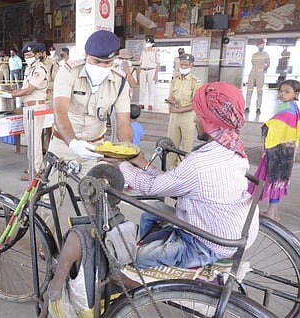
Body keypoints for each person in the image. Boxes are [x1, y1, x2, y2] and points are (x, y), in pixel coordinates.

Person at [118, 81, 258, 270]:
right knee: (152, 211)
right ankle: (159, 251)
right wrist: (143, 163)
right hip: (230, 228)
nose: (194, 120)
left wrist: (120, 165)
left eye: (199, 115)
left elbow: (152, 187)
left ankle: (147, 275)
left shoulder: (200, 163)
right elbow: (176, 183)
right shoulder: (231, 149)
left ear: (210, 120)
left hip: (207, 243)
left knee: (140, 258)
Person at [41, 164, 126, 318]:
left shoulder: (77, 237)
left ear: (85, 193)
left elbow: (55, 290)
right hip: (112, 301)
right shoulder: (122, 223)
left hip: (87, 309)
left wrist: (47, 298)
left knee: (52, 289)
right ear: (119, 199)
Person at [48, 30, 132, 175]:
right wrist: (73, 143)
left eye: (108, 63)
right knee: (52, 194)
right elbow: (60, 112)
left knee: (95, 194)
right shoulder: (68, 72)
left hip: (96, 149)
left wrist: (126, 151)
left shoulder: (120, 82)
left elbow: (123, 122)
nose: (102, 67)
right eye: (96, 61)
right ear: (86, 56)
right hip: (63, 145)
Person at [248, 79, 300, 221]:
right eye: (281, 91)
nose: (282, 93)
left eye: (287, 91)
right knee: (277, 179)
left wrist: (269, 124)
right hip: (285, 151)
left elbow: (276, 125)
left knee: (266, 177)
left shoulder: (288, 108)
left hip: (277, 150)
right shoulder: (291, 107)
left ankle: (253, 209)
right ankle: (272, 212)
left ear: (296, 93)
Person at [0, 42, 49, 181]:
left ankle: (37, 170)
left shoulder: (40, 69)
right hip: (28, 107)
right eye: (26, 55)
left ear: (38, 55)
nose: (27, 57)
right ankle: (33, 167)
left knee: (35, 141)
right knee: (30, 140)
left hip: (36, 108)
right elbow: (23, 89)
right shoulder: (29, 69)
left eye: (30, 55)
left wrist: (12, 95)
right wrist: (9, 92)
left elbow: (29, 90)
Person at [165, 53, 202, 169]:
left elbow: (196, 104)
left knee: (186, 145)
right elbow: (171, 95)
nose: (183, 67)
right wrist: (170, 102)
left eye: (186, 65)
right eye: (181, 64)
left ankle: (183, 169)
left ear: (192, 65)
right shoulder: (175, 79)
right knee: (172, 144)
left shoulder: (195, 82)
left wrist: (179, 109)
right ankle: (171, 169)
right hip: (175, 116)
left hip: (188, 117)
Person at [245, 39, 270, 115]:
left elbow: (268, 64)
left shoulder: (266, 54)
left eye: (263, 44)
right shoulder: (254, 54)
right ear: (258, 46)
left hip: (260, 72)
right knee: (249, 90)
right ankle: (247, 107)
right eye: (260, 44)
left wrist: (263, 70)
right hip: (252, 72)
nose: (262, 46)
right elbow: (252, 63)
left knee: (259, 91)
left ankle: (258, 108)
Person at [138, 37, 160, 111]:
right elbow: (140, 62)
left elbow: (158, 63)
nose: (147, 44)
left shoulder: (156, 51)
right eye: (146, 42)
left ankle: (151, 104)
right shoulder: (143, 51)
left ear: (152, 43)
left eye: (148, 42)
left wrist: (156, 73)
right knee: (142, 88)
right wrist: (139, 70)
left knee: (151, 87)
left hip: (152, 70)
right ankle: (141, 103)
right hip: (143, 70)